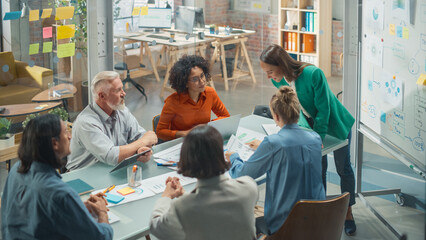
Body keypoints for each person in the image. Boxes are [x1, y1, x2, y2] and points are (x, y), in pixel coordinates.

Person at [259, 44, 357, 235]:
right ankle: (319, 212)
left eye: (270, 71)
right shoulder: (278, 81)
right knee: (317, 170)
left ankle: (348, 212)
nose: (269, 77)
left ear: (281, 64)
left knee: (343, 168)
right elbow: (296, 111)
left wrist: (317, 138)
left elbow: (324, 109)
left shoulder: (313, 73)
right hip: (311, 128)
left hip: (336, 126)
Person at [226, 86, 325, 235]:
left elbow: (242, 174)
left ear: (276, 117)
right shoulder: (316, 139)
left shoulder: (273, 143)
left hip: (284, 224)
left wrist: (233, 157)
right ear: (297, 113)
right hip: (318, 219)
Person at [1, 114, 113, 239]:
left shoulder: (16, 171)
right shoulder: (59, 194)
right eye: (65, 132)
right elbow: (100, 237)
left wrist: (76, 207)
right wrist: (102, 212)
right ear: (54, 143)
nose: (70, 136)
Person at [150, 125, 258, 240]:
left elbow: (156, 226)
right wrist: (185, 194)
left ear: (187, 160)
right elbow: (216, 207)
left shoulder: (183, 207)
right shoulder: (249, 187)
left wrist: (166, 196)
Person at [67, 71, 157, 171]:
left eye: (122, 88)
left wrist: (141, 150)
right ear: (102, 96)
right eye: (118, 90)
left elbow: (146, 136)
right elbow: (111, 156)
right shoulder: (86, 122)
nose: (124, 93)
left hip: (111, 169)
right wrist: (144, 142)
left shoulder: (122, 111)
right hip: (82, 176)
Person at [156, 55, 230, 141]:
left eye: (202, 75)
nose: (202, 81)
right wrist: (184, 133)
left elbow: (225, 116)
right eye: (195, 79)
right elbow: (160, 132)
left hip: (204, 139)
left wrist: (206, 126)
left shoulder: (210, 93)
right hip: (183, 142)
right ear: (185, 83)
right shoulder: (173, 102)